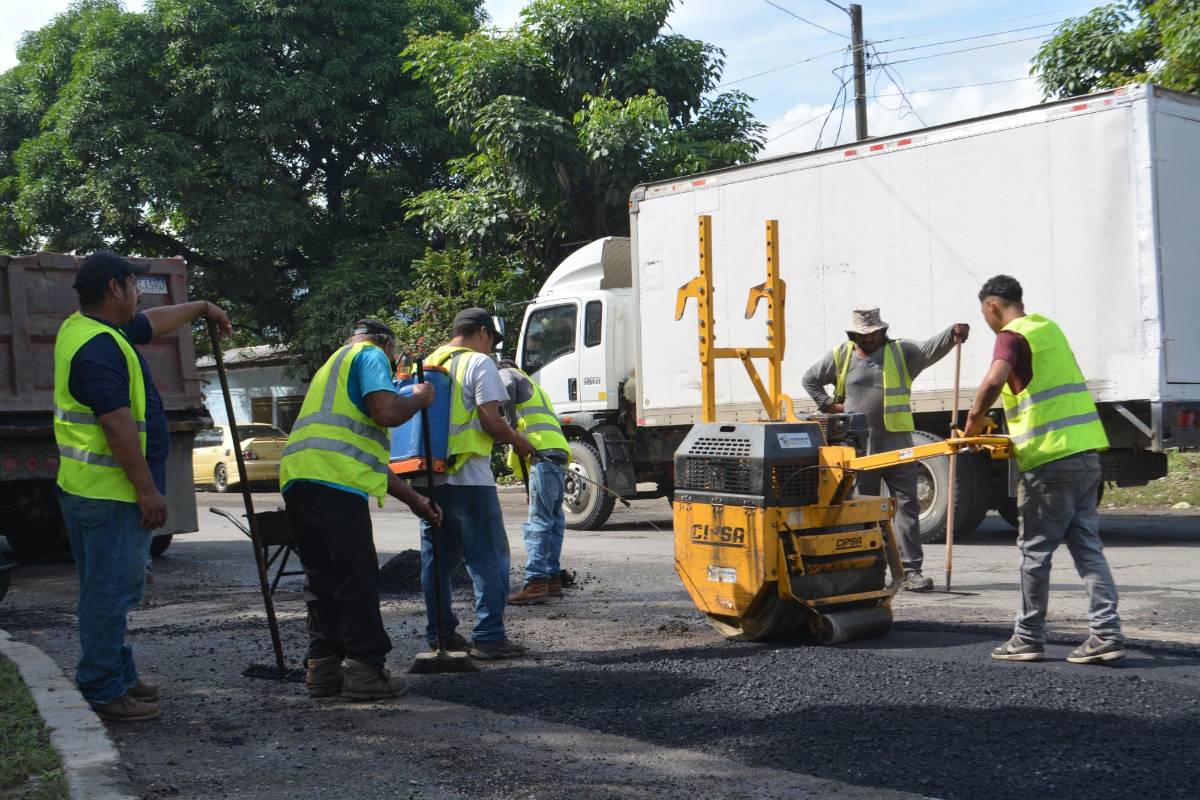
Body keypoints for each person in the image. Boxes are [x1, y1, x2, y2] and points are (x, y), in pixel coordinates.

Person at [53, 251, 232, 722]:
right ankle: (103, 688)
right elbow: (116, 424)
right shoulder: (100, 347)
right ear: (114, 288)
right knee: (111, 594)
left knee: (106, 588)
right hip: (111, 493)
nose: (138, 293)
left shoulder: (87, 329)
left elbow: (151, 323)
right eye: (133, 284)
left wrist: (201, 307)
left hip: (87, 489)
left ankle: (117, 673)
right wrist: (147, 490)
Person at [964, 275, 1123, 664]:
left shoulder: (1011, 336)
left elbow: (994, 381)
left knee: (1034, 552)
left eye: (985, 313)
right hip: (1085, 454)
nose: (987, 320)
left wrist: (973, 421)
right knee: (1087, 548)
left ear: (991, 306)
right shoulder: (1048, 328)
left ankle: (1027, 637)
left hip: (1049, 461)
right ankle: (1106, 633)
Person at [280, 319, 442, 700]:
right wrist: (419, 398)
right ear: (387, 345)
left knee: (321, 577)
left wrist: (416, 501)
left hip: (298, 477)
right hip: (334, 480)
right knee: (357, 576)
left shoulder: (331, 366)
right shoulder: (370, 355)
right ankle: (366, 669)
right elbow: (386, 411)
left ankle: (323, 667)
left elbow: (365, 456)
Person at [802, 307, 969, 592]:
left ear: (883, 331)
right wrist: (830, 405)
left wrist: (952, 333)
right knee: (863, 510)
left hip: (898, 446)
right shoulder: (841, 356)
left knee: (907, 506)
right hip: (861, 450)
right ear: (853, 335)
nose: (869, 339)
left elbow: (930, 350)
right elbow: (810, 379)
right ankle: (870, 569)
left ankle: (911, 571)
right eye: (863, 335)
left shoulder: (901, 352)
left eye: (874, 334)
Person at [419, 308, 536, 660]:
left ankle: (440, 635)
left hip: (427, 478)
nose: (490, 348)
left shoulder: (428, 363)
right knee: (489, 555)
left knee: (438, 560)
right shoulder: (478, 363)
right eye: (491, 342)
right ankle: (489, 636)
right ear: (483, 332)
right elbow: (490, 420)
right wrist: (518, 440)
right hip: (468, 476)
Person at [497, 360, 570, 605]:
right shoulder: (535, 388)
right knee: (554, 520)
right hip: (557, 452)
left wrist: (510, 428)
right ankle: (552, 579)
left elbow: (506, 385)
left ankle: (536, 581)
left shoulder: (507, 373)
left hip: (543, 453)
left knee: (539, 521)